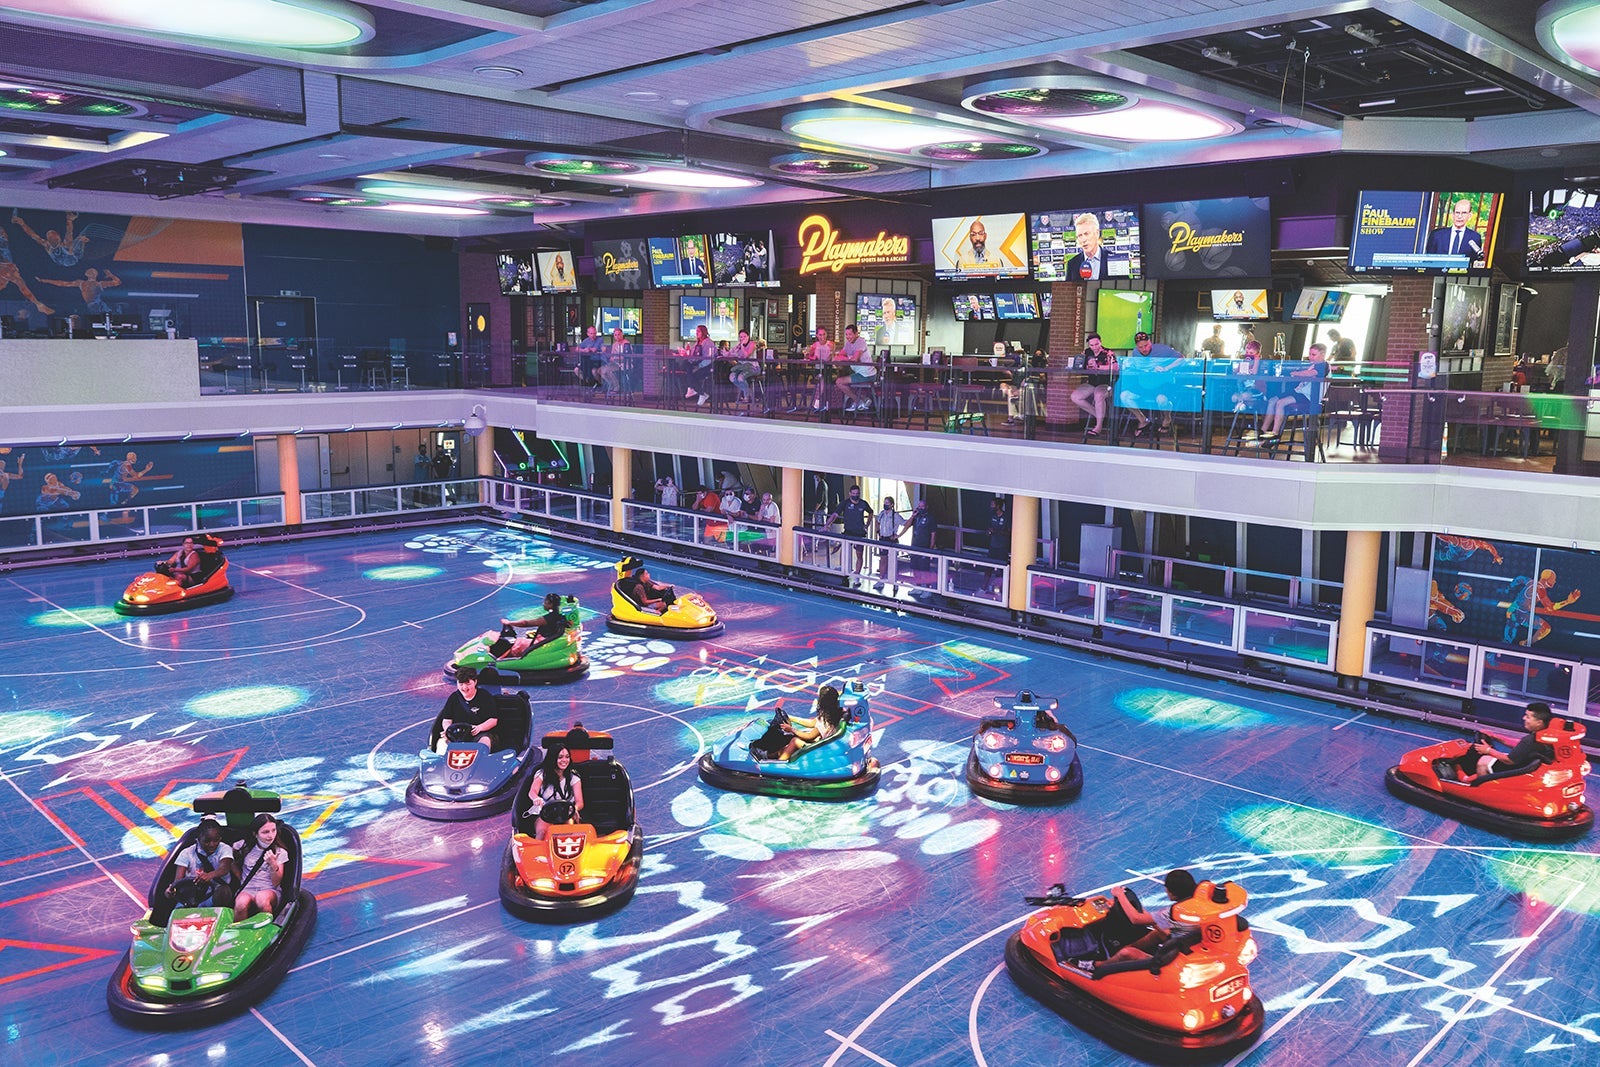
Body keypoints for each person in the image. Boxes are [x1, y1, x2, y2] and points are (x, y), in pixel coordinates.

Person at [1079, 869, 1202, 973]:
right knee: (1157, 932)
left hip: (1173, 962)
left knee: (1127, 953)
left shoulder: (1173, 911)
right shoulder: (1196, 904)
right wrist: (1136, 906)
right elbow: (1152, 920)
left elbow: (1135, 919)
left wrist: (1120, 894)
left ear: (1173, 894)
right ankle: (1128, 947)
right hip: (1187, 945)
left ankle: (1098, 966)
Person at [1459, 702, 1557, 782]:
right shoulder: (1545, 734)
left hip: (1520, 769)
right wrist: (1495, 736)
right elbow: (1520, 745)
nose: (1524, 718)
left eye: (1527, 717)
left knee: (1483, 761)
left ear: (1539, 722)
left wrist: (1488, 750)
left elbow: (1509, 760)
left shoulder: (1531, 740)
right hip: (1529, 765)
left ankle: (1480, 789)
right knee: (1494, 755)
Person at [163, 818, 235, 917]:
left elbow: (224, 868)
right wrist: (171, 891)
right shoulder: (186, 853)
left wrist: (210, 876)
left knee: (224, 891)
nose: (212, 844)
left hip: (212, 897)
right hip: (191, 898)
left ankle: (219, 918)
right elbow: (178, 880)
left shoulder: (224, 849)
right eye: (207, 841)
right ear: (198, 839)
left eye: (216, 840)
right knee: (178, 914)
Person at [755, 685, 847, 762]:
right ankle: (769, 755)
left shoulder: (825, 721)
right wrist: (791, 718)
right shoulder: (835, 713)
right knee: (792, 740)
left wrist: (792, 729)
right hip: (826, 745)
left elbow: (810, 736)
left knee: (795, 741)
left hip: (820, 750)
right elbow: (812, 723)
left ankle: (779, 764)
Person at [1258, 342, 1330, 440]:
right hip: (1299, 392)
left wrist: (1296, 373)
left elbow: (1310, 373)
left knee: (1280, 403)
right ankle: (1263, 431)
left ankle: (1275, 433)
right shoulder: (1313, 365)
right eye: (1310, 354)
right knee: (1272, 400)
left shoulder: (1324, 365)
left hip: (1309, 396)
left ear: (1322, 355)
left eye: (1314, 355)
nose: (1310, 357)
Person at [233, 813, 288, 921]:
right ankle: (239, 933)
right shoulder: (242, 846)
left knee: (262, 899)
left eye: (273, 830)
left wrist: (273, 863)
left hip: (269, 889)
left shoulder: (280, 852)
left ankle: (266, 931)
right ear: (255, 834)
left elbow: (276, 882)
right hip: (247, 888)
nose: (270, 836)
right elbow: (231, 860)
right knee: (241, 904)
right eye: (265, 832)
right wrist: (240, 878)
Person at [1504, 568, 1581, 645]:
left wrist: (1509, 587)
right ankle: (1526, 644)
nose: (1555, 581)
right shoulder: (1540, 589)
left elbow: (1520, 578)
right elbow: (1550, 607)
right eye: (1553, 579)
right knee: (1546, 628)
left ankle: (1520, 643)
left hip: (1514, 610)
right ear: (1548, 579)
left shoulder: (1531, 582)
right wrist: (1567, 601)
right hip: (1519, 613)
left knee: (1509, 637)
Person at [524, 743, 584, 840]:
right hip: (545, 813)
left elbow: (580, 801)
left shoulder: (574, 777)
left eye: (567, 757)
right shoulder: (542, 774)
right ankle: (538, 852)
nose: (564, 760)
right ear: (553, 758)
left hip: (566, 813)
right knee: (542, 832)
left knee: (568, 833)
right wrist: (536, 798)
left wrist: (575, 808)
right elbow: (532, 791)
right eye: (560, 757)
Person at [436, 666, 499, 753]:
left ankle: (480, 762)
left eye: (468, 684)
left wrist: (479, 728)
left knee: (484, 741)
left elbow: (493, 720)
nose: (464, 688)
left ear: (475, 682)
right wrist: (448, 731)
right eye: (461, 684)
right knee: (442, 743)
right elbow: (447, 719)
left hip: (480, 733)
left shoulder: (485, 696)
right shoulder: (454, 698)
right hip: (458, 735)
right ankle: (442, 763)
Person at [1069, 333, 1116, 437]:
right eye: (1092, 345)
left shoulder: (1108, 352)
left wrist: (1098, 367)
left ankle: (1098, 426)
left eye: (1096, 344)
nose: (1094, 347)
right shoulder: (1086, 352)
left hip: (1106, 383)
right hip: (1092, 382)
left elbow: (1115, 367)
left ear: (1101, 342)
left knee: (1098, 395)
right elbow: (1080, 365)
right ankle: (1100, 416)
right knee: (1075, 397)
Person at [0, 226, 52, 314]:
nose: (4, 286)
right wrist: (37, 303)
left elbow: (24, 289)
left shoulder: (9, 273)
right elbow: (24, 289)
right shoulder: (10, 273)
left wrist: (37, 303)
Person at [500, 592, 569, 657]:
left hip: (543, 642)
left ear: (550, 604)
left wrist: (509, 622)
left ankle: (501, 660)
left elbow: (525, 623)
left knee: (517, 644)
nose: (543, 604)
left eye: (545, 602)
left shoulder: (548, 618)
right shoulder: (560, 615)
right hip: (548, 638)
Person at [11, 210, 88, 267]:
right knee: (75, 241)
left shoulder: (65, 244)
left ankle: (81, 240)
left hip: (71, 259)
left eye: (52, 236)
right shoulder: (47, 245)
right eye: (49, 236)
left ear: (58, 238)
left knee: (76, 240)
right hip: (62, 261)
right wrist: (22, 224)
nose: (51, 238)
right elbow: (33, 235)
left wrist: (69, 220)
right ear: (48, 239)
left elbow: (69, 231)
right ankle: (81, 240)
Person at [827, 484, 874, 574]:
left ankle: (857, 574)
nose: (855, 495)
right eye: (853, 493)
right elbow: (835, 515)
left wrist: (867, 525)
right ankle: (843, 569)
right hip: (848, 532)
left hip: (859, 533)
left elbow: (871, 512)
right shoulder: (845, 503)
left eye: (857, 493)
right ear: (850, 493)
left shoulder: (863, 503)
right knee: (844, 552)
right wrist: (827, 525)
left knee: (859, 554)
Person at [37, 266, 120, 315]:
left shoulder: (99, 284)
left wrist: (111, 275)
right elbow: (62, 283)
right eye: (89, 271)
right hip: (88, 307)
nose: (91, 271)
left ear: (95, 274)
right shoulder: (81, 283)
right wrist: (45, 280)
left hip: (100, 307)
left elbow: (117, 282)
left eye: (93, 271)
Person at [1426, 197, 1485, 263]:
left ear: (1469, 215)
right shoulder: (1436, 235)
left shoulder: (1475, 237)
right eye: (1457, 212)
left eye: (1464, 213)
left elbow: (1474, 261)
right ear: (1453, 215)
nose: (1459, 216)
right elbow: (1428, 261)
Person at [835, 323, 875, 411]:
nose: (848, 337)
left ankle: (858, 401)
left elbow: (855, 359)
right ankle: (864, 400)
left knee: (839, 382)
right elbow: (839, 356)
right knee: (841, 379)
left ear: (856, 334)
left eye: (850, 334)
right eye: (846, 334)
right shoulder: (848, 344)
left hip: (867, 374)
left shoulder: (860, 341)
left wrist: (842, 358)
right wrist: (842, 358)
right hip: (860, 373)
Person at [1064, 211, 1106, 281]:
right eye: (1080, 235)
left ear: (1097, 233)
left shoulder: (1113, 259)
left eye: (1086, 234)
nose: (1083, 240)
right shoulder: (1072, 263)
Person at [728, 328, 761, 405]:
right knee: (732, 376)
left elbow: (746, 355)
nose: (742, 338)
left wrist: (742, 347)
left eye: (744, 336)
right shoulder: (738, 346)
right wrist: (726, 353)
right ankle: (750, 393)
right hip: (742, 367)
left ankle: (746, 397)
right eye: (740, 337)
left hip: (753, 367)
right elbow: (731, 353)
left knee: (740, 377)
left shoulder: (752, 344)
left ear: (748, 337)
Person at [685, 324, 716, 406]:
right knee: (686, 366)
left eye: (698, 331)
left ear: (703, 332)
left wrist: (699, 367)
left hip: (706, 366)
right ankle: (696, 390)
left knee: (693, 375)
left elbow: (709, 358)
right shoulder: (697, 343)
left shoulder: (708, 343)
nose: (696, 333)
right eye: (696, 331)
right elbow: (693, 355)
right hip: (697, 364)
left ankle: (696, 390)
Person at [598, 327, 628, 394]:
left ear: (622, 334)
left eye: (619, 334)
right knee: (600, 370)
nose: (617, 336)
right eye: (615, 335)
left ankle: (617, 387)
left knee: (609, 371)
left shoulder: (626, 343)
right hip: (615, 363)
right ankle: (611, 384)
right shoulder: (614, 345)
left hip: (623, 364)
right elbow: (612, 356)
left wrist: (615, 358)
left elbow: (626, 356)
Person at [986, 496, 1010, 563]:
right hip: (992, 546)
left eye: (992, 504)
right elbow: (988, 530)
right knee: (989, 566)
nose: (991, 506)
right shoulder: (992, 516)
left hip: (1002, 548)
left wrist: (997, 531)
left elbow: (1009, 533)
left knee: (1001, 568)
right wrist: (988, 532)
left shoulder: (1006, 517)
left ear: (998, 506)